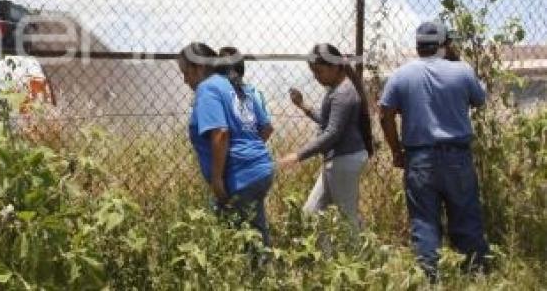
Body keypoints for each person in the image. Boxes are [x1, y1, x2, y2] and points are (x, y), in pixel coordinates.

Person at [379, 21, 489, 280]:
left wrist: (397, 151)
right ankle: (476, 276)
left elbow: (385, 114)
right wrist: (455, 59)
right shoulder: (462, 71)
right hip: (458, 157)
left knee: (424, 222)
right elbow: (479, 100)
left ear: (418, 45)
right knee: (467, 217)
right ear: (445, 44)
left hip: (419, 158)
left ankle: (429, 280)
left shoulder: (401, 75)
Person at [179, 42, 276, 246]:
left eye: (186, 72)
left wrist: (216, 180)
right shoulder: (234, 85)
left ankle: (259, 272)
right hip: (258, 170)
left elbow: (221, 133)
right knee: (252, 233)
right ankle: (264, 270)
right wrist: (250, 154)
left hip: (239, 178)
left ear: (200, 68)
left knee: (237, 240)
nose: (185, 80)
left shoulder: (207, 88)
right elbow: (262, 127)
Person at [278, 43, 374, 227]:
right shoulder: (336, 89)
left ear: (335, 67)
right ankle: (328, 254)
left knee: (347, 219)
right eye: (313, 72)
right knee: (311, 214)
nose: (316, 77)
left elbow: (332, 133)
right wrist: (302, 105)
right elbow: (328, 121)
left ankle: (358, 254)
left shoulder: (343, 93)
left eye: (319, 71)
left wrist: (298, 155)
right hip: (338, 160)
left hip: (344, 160)